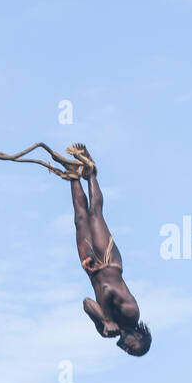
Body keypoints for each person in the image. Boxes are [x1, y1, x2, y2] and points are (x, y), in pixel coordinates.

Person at [66, 143, 151, 356]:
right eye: (132, 346)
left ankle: (72, 173)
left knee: (80, 218)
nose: (126, 347)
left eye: (127, 351)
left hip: (90, 266)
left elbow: (87, 303)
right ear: (138, 336)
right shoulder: (132, 314)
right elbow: (107, 290)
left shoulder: (107, 332)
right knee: (95, 214)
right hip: (107, 261)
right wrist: (109, 319)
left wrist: (104, 321)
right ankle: (91, 173)